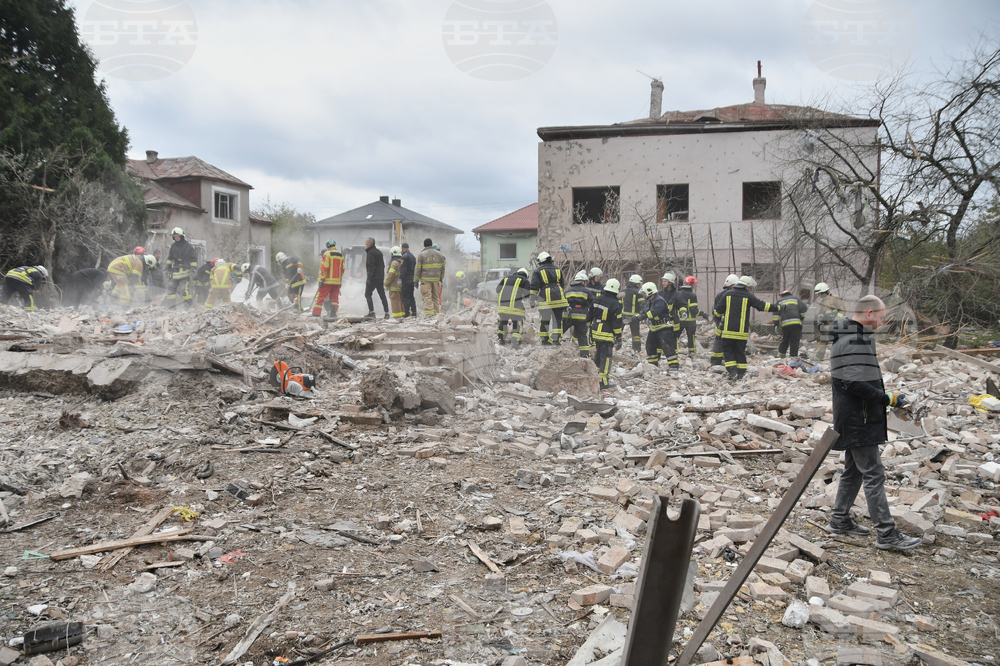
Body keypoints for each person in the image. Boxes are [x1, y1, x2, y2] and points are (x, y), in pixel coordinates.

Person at [827, 295, 922, 551]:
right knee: (873, 473)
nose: (883, 320)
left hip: (856, 416)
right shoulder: (854, 340)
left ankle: (839, 519)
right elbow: (854, 383)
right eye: (881, 316)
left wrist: (886, 397)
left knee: (854, 470)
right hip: (860, 418)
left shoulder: (851, 337)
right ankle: (887, 534)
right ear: (869, 313)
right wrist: (887, 398)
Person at [715, 276, 779, 380]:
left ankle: (732, 372)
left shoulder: (727, 294)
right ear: (747, 287)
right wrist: (776, 307)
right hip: (742, 333)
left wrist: (717, 319)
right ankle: (740, 373)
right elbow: (761, 306)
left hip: (728, 331)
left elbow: (718, 310)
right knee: (740, 351)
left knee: (728, 351)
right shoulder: (748, 296)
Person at [589, 278, 623, 389]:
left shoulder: (596, 299)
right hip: (607, 333)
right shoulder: (615, 304)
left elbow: (589, 316)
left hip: (596, 332)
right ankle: (603, 382)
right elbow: (616, 323)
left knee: (598, 356)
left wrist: (590, 327)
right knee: (606, 358)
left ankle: (595, 379)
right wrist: (618, 337)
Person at [529, 251, 567, 345]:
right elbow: (562, 284)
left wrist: (532, 300)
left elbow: (534, 287)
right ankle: (556, 340)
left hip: (545, 299)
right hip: (559, 298)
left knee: (545, 320)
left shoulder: (538, 271)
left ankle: (545, 341)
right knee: (557, 320)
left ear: (540, 261)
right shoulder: (558, 269)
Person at [641, 282, 675, 369]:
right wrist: (634, 317)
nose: (644, 295)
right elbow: (644, 312)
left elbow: (653, 313)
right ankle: (653, 366)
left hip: (664, 327)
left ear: (649, 292)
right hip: (654, 328)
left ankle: (674, 366)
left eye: (644, 293)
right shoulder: (650, 302)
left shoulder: (659, 301)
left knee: (667, 346)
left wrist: (642, 317)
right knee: (650, 346)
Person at [164, 227, 198, 308]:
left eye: (178, 236)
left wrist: (193, 270)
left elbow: (193, 259)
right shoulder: (173, 246)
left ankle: (188, 306)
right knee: (170, 289)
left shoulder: (188, 246)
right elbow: (170, 258)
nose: (176, 238)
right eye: (175, 236)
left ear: (182, 236)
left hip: (185, 272)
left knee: (184, 290)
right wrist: (167, 268)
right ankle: (171, 308)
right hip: (175, 272)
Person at [711, 274, 740, 366]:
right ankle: (716, 362)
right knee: (719, 343)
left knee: (728, 344)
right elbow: (716, 309)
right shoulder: (722, 295)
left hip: (730, 324)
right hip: (722, 324)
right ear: (730, 285)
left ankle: (726, 361)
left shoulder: (737, 295)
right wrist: (719, 320)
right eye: (734, 286)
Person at [813, 282, 846, 361]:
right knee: (823, 341)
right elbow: (820, 312)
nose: (819, 295)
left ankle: (840, 359)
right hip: (826, 325)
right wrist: (820, 318)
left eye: (819, 293)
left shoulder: (835, 298)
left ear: (824, 292)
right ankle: (818, 358)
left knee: (837, 342)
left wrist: (836, 319)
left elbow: (843, 311)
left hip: (835, 325)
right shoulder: (823, 301)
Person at [564, 271, 594, 357]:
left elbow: (562, 303)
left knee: (559, 332)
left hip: (568, 316)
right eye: (585, 282)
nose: (586, 284)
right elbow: (592, 305)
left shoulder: (567, 291)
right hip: (581, 318)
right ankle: (584, 355)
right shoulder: (586, 292)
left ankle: (552, 348)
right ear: (582, 282)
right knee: (582, 337)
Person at [496, 268, 529, 346]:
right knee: (517, 325)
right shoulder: (524, 280)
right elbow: (527, 295)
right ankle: (515, 344)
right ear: (526, 275)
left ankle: (501, 341)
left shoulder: (506, 278)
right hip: (516, 308)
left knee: (503, 323)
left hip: (503, 307)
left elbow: (498, 290)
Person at [312, 239, 345, 317]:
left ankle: (316, 313)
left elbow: (324, 268)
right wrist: (340, 281)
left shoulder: (327, 254)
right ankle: (334, 313)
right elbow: (342, 269)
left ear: (327, 246)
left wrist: (321, 280)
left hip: (327, 281)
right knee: (334, 298)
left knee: (320, 296)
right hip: (337, 281)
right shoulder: (340, 255)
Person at [414, 238, 446, 316]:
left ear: (424, 245)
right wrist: (441, 279)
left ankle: (429, 314)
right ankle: (436, 314)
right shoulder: (440, 255)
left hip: (426, 280)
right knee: (435, 297)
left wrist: (416, 280)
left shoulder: (422, 254)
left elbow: (418, 269)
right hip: (436, 280)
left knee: (427, 297)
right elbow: (443, 268)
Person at [774, 289, 809, 358]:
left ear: (782, 295)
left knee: (785, 339)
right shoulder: (796, 299)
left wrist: (776, 325)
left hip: (785, 324)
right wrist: (801, 317)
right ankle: (793, 357)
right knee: (795, 341)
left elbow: (775, 314)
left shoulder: (779, 301)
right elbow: (804, 308)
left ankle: (781, 355)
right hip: (796, 323)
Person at [362, 237, 389, 319]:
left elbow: (371, 266)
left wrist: (369, 278)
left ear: (370, 244)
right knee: (382, 295)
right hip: (380, 277)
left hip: (373, 277)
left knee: (367, 294)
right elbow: (382, 265)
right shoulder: (379, 252)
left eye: (366, 242)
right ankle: (387, 312)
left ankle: (371, 312)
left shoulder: (370, 253)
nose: (365, 244)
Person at [677, 276, 700, 354]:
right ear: (692, 285)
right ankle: (691, 353)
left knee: (675, 337)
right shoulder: (692, 296)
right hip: (690, 321)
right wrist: (703, 314)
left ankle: (673, 353)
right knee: (691, 338)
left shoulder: (678, 294)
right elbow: (693, 310)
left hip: (679, 320)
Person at [622, 274, 644, 352]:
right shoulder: (639, 292)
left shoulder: (623, 290)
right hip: (634, 316)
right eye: (639, 284)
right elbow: (641, 304)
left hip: (623, 315)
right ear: (636, 283)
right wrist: (643, 315)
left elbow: (619, 302)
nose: (639, 285)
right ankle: (636, 348)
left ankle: (615, 344)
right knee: (635, 334)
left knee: (618, 330)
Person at [383, 246, 405, 319]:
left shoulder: (394, 263)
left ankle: (397, 317)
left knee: (395, 301)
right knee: (401, 301)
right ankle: (402, 315)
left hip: (393, 286)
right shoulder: (401, 261)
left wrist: (386, 283)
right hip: (401, 286)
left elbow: (390, 275)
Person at [400, 241, 417, 317]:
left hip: (406, 279)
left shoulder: (404, 257)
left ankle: (407, 312)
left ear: (403, 248)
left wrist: (400, 278)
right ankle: (414, 311)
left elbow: (403, 269)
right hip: (412, 279)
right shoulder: (413, 256)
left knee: (405, 296)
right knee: (411, 296)